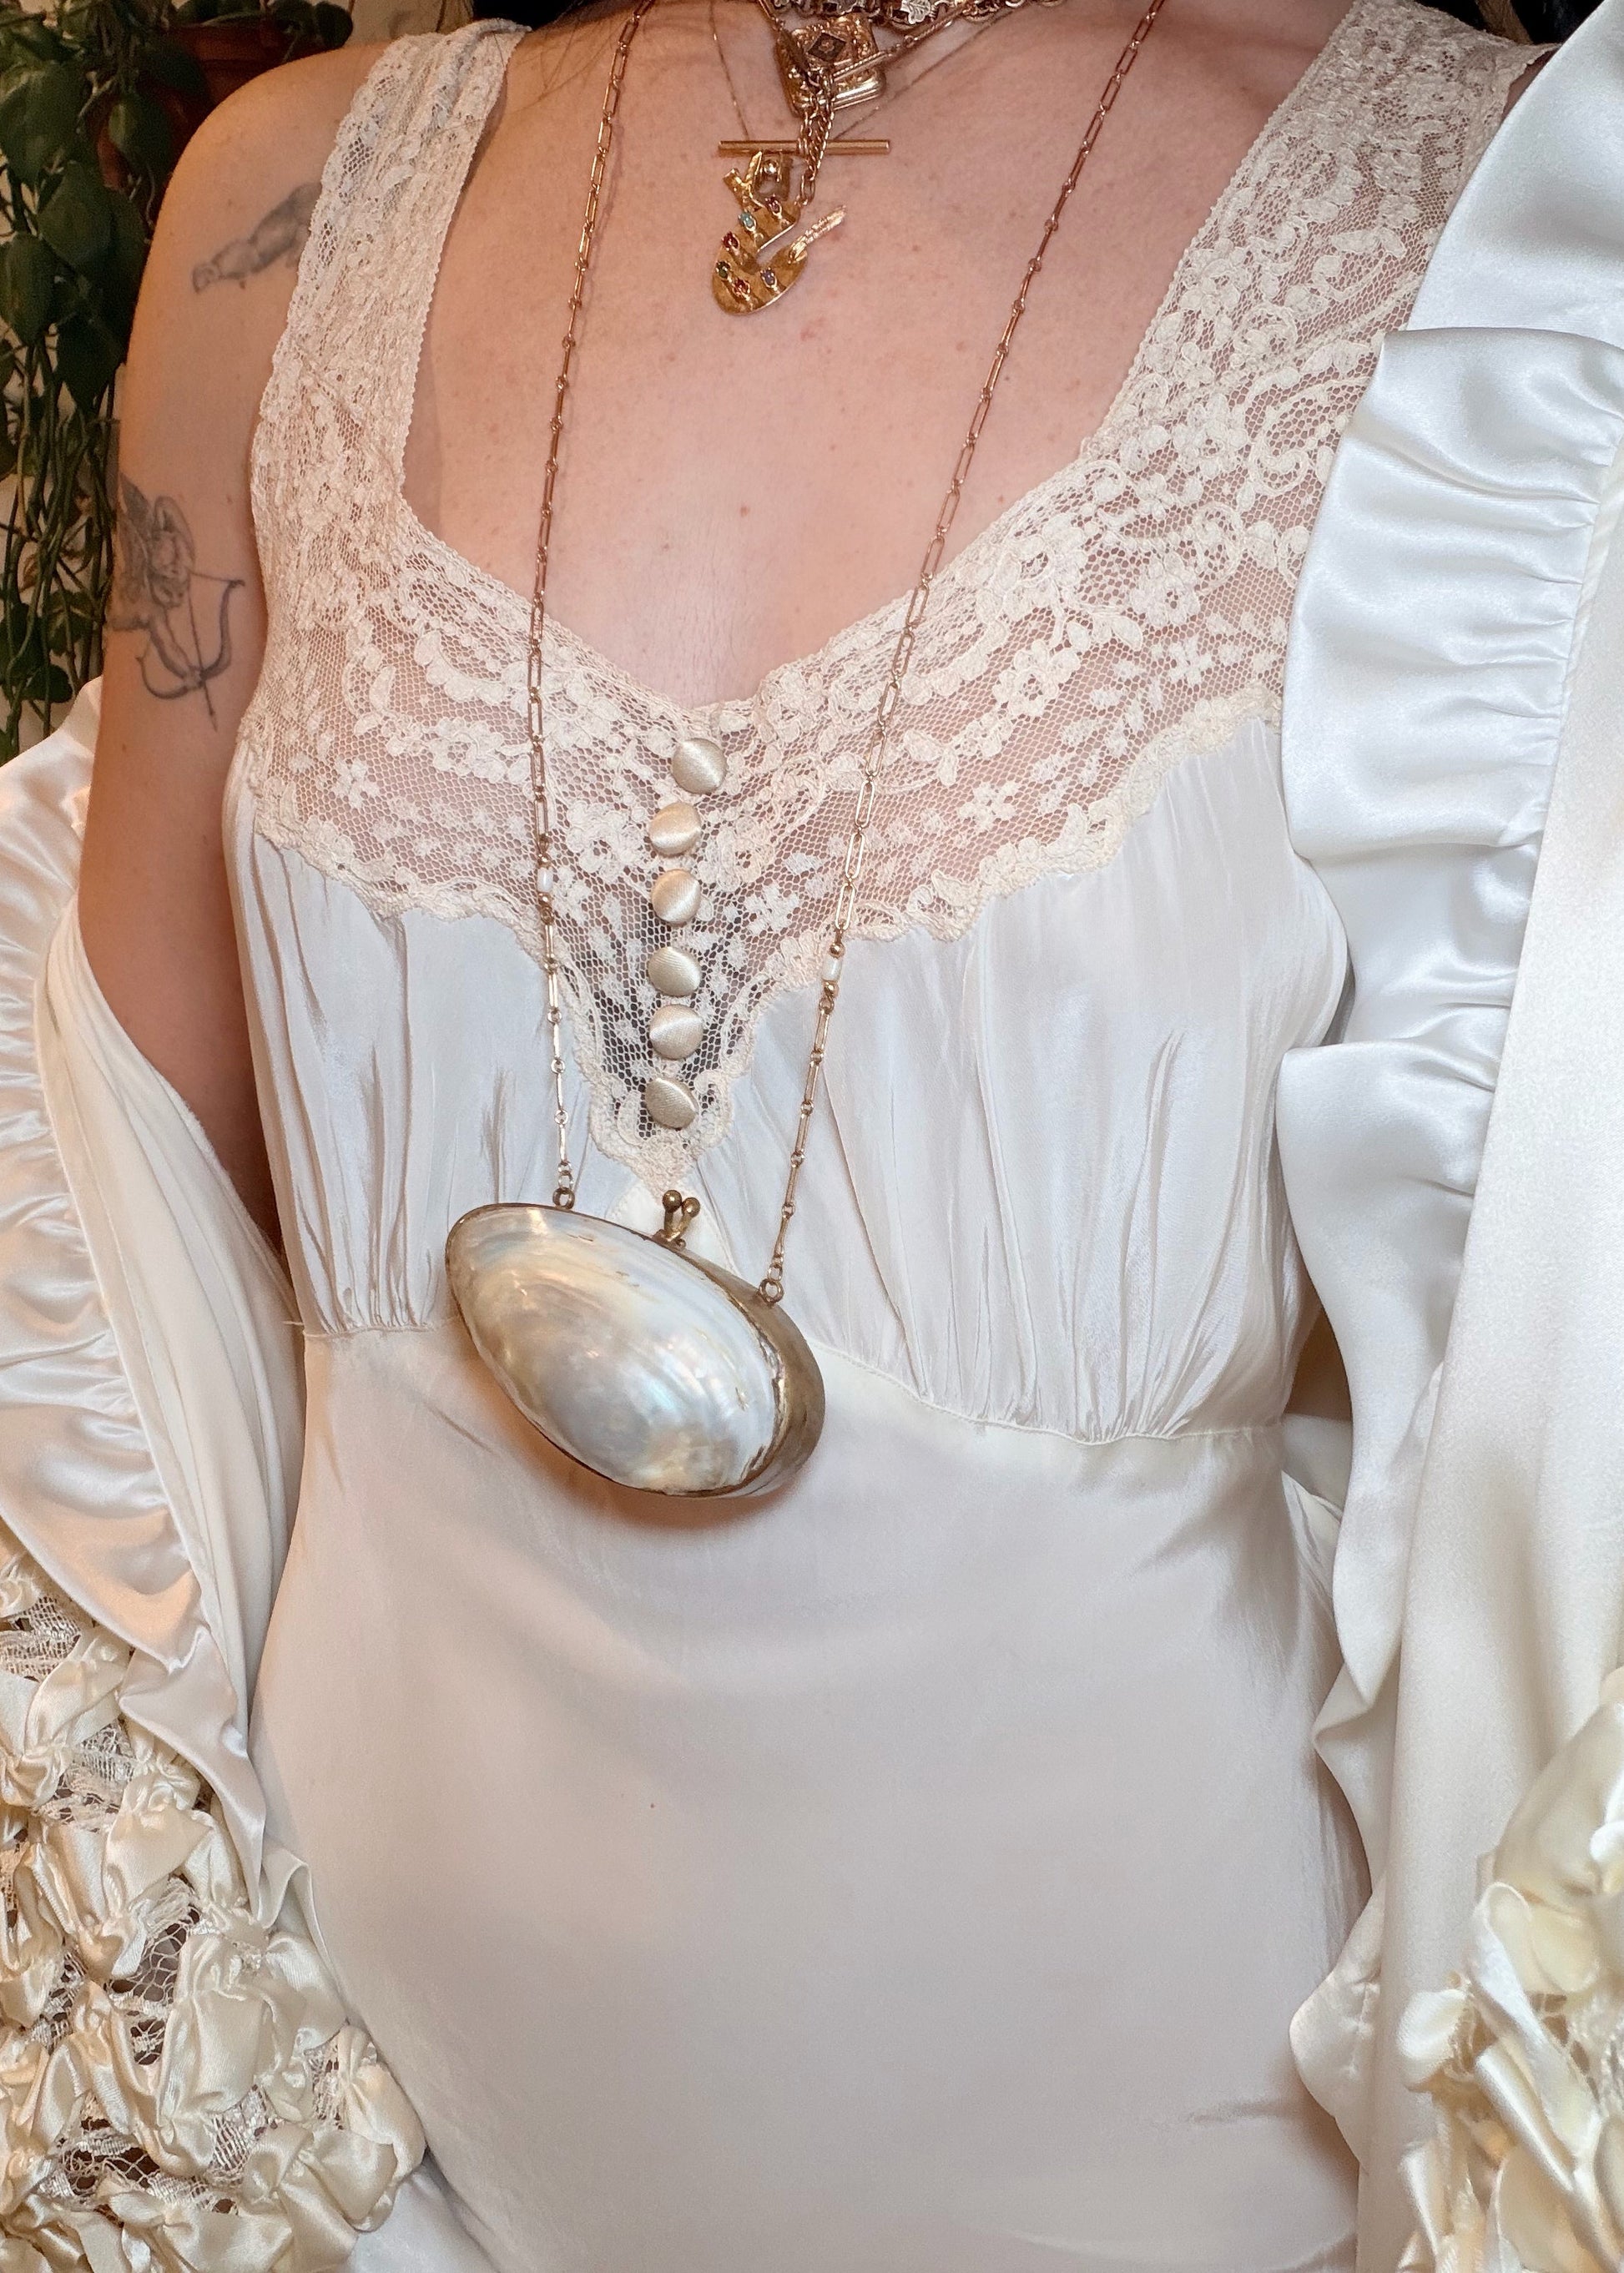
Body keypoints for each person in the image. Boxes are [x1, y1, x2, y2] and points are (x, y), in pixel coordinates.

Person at [0, 0, 1601, 2265]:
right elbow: (133, 1246)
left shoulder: (1521, 252)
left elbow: (1547, 1423)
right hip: (344, 2158)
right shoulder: (289, 204)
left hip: (1167, 2181)